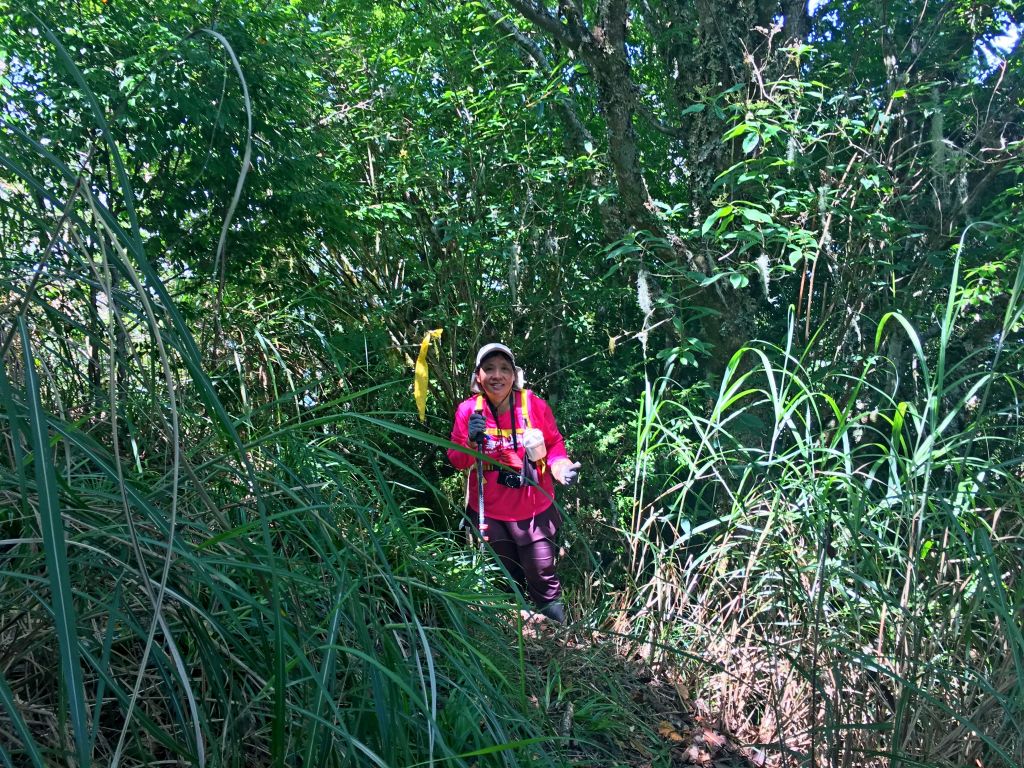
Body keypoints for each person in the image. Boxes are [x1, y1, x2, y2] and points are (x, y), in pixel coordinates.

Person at [448, 343, 581, 623]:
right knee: (504, 577)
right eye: (489, 369)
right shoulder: (469, 411)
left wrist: (561, 467)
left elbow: (554, 444)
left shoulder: (533, 405)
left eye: (504, 369)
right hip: (491, 512)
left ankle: (562, 641)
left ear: (515, 375)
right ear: (478, 376)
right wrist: (471, 442)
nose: (497, 375)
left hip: (534, 509)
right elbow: (457, 460)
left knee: (543, 576)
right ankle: (514, 644)